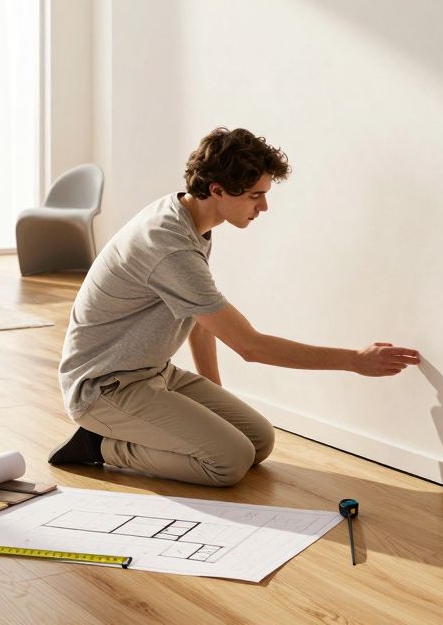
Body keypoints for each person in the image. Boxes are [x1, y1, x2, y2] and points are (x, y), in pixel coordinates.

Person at [48, 127, 420, 486]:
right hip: (104, 388)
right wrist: (354, 360)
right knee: (228, 462)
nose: (265, 206)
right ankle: (99, 445)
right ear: (218, 189)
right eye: (255, 196)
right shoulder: (170, 245)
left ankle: (141, 430)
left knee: (259, 441)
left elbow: (196, 315)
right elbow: (250, 347)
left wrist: (213, 391)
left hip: (151, 372)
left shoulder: (190, 220)